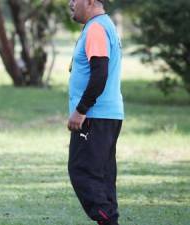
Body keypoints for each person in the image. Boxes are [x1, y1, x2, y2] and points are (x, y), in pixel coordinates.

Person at [67, 0, 124, 225]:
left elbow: (99, 73)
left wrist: (81, 110)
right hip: (107, 115)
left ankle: (108, 221)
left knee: (82, 173)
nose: (71, 3)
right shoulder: (103, 25)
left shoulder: (97, 28)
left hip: (95, 116)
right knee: (103, 177)